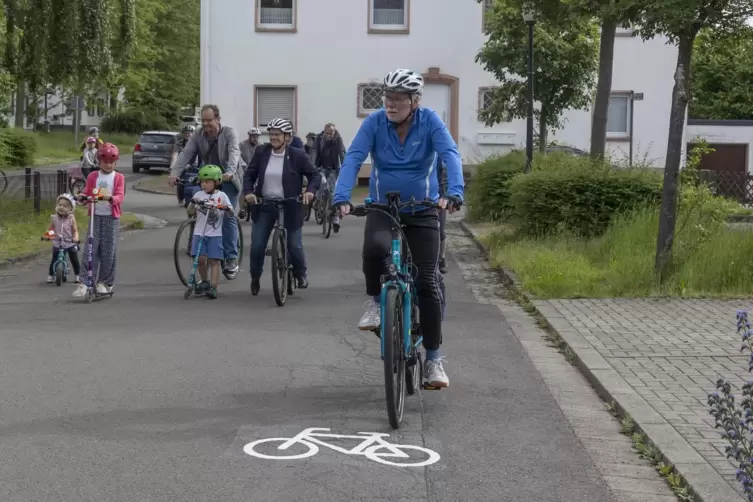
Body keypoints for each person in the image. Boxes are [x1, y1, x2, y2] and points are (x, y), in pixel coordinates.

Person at [332, 68, 464, 388]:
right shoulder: (375, 123)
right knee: (374, 250)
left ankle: (433, 360)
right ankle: (377, 303)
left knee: (427, 282)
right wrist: (341, 195)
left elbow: (449, 154)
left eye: (397, 99)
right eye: (387, 98)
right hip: (383, 207)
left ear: (415, 101)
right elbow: (353, 158)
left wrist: (454, 191)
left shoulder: (430, 121)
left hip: (423, 210)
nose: (390, 104)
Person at [242, 118, 319, 294]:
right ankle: (255, 276)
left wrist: (310, 191)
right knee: (257, 245)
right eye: (271, 134)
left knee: (294, 245)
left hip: (291, 204)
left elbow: (314, 175)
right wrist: (249, 192)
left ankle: (300, 274)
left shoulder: (298, 155)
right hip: (265, 205)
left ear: (287, 137)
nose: (273, 137)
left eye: (277, 134)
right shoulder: (262, 152)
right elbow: (249, 175)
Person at [168, 104, 243, 276]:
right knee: (197, 205)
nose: (206, 124)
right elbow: (186, 154)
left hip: (227, 179)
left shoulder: (229, 133)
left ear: (218, 119)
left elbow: (234, 153)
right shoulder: (198, 134)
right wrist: (175, 173)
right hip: (207, 177)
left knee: (227, 216)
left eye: (210, 120)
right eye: (204, 120)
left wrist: (230, 172)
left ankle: (231, 257)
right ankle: (199, 244)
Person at [73, 143, 126, 297]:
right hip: (95, 217)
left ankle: (104, 282)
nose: (108, 165)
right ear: (99, 162)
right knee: (91, 248)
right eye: (105, 162)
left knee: (108, 250)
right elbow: (87, 192)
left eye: (111, 162)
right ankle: (84, 282)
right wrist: (82, 197)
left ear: (116, 162)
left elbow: (120, 195)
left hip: (111, 217)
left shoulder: (119, 177)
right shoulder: (93, 176)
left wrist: (112, 198)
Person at [186, 165, 233, 299]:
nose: (203, 184)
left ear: (216, 182)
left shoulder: (221, 196)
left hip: (215, 234)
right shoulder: (198, 195)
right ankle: (205, 281)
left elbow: (231, 213)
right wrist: (192, 203)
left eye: (207, 182)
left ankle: (214, 286)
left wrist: (226, 208)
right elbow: (190, 213)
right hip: (199, 233)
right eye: (201, 182)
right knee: (200, 259)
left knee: (214, 260)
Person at [315, 123, 346, 232]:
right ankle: (318, 201)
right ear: (324, 132)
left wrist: (344, 167)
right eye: (327, 133)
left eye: (331, 133)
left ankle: (336, 219)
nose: (329, 135)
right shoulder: (319, 139)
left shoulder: (338, 140)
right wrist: (312, 166)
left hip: (334, 169)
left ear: (334, 132)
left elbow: (342, 153)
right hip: (321, 168)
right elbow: (314, 153)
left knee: (333, 193)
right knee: (322, 183)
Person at [44, 193, 81, 284]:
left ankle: (78, 275)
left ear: (70, 209)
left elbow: (75, 230)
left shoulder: (71, 218)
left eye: (65, 206)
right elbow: (51, 229)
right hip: (58, 242)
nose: (61, 207)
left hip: (69, 242)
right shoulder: (54, 218)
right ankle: (51, 275)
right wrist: (48, 236)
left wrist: (75, 238)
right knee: (54, 259)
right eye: (60, 205)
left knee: (74, 259)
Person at [173, 125, 200, 206]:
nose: (188, 135)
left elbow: (198, 155)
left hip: (194, 166)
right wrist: (173, 166)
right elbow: (175, 155)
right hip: (182, 166)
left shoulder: (197, 143)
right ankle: (180, 199)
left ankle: (193, 199)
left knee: (195, 182)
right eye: (186, 133)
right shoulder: (179, 143)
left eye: (190, 133)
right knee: (180, 183)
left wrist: (193, 165)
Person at [436, 159, 448, 274]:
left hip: (439, 197)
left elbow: (445, 179)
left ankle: (442, 258)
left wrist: (445, 196)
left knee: (440, 231)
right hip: (419, 197)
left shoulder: (440, 158)